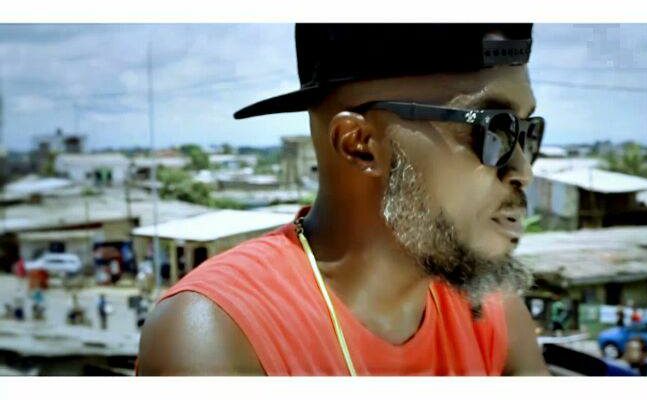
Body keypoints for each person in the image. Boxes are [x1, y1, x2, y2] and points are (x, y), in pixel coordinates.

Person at [138, 23, 548, 376]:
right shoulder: (222, 334)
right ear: (360, 145)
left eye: (526, 131)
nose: (523, 170)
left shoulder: (491, 312)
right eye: (494, 129)